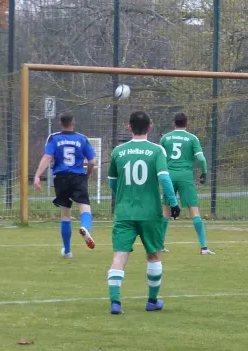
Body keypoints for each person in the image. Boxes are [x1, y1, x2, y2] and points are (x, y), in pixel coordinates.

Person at [106, 111, 181, 315]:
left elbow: (111, 180)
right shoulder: (157, 151)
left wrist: (122, 196)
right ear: (150, 127)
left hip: (124, 213)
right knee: (154, 255)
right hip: (150, 213)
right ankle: (152, 301)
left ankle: (115, 303)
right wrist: (173, 203)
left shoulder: (118, 151)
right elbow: (164, 178)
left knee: (119, 257)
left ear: (129, 127)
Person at [33, 112, 96, 258]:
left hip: (61, 178)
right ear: (73, 123)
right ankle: (85, 228)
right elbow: (92, 161)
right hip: (78, 177)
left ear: (60, 124)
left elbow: (48, 156)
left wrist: (37, 176)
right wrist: (88, 173)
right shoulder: (82, 139)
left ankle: (67, 251)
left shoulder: (54, 137)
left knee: (65, 214)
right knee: (85, 208)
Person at [159, 113, 214, 255]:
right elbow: (201, 159)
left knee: (166, 211)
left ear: (174, 123)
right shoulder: (192, 138)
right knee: (194, 211)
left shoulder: (165, 138)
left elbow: (159, 158)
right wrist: (204, 172)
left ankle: (160, 245)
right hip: (185, 177)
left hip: (169, 176)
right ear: (187, 124)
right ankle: (203, 247)